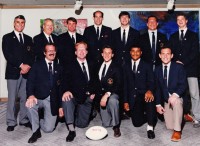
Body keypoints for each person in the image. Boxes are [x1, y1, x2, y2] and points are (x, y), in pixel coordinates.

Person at [25, 44, 63, 143]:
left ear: (55, 53)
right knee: (29, 104)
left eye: (53, 51)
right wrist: (30, 95)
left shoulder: (59, 67)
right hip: (38, 97)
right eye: (49, 51)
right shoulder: (37, 65)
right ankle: (35, 131)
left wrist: (60, 106)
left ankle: (38, 120)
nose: (51, 52)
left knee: (49, 129)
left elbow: (60, 89)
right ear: (44, 53)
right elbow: (30, 82)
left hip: (52, 100)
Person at [2, 15, 34, 132]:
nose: (20, 24)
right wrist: (21, 65)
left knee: (24, 97)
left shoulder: (29, 38)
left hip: (26, 73)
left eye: (22, 23)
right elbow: (8, 54)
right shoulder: (7, 38)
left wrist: (27, 66)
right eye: (18, 22)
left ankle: (24, 119)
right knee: (12, 98)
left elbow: (32, 55)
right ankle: (11, 121)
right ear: (14, 23)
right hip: (13, 73)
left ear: (24, 24)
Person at [61, 41, 97, 142]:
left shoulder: (92, 64)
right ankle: (71, 130)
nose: (81, 52)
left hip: (87, 97)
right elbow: (64, 81)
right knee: (67, 99)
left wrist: (93, 92)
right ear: (75, 52)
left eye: (83, 49)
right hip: (74, 96)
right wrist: (66, 90)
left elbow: (96, 81)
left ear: (87, 52)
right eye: (79, 49)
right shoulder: (69, 65)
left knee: (82, 125)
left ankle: (78, 113)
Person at [169, 13, 200, 127]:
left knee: (194, 94)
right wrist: (176, 63)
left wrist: (183, 62)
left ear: (186, 21)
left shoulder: (193, 35)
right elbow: (171, 52)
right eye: (178, 19)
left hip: (191, 69)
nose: (180, 21)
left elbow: (195, 52)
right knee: (178, 93)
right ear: (176, 22)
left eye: (182, 19)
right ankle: (179, 116)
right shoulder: (172, 36)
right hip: (177, 70)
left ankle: (197, 117)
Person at [123, 46, 157, 139]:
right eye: (133, 51)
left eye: (138, 51)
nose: (135, 53)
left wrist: (149, 90)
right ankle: (152, 116)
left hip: (145, 94)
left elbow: (151, 81)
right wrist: (125, 101)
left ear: (141, 53)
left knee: (150, 99)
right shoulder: (126, 66)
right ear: (130, 52)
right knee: (136, 123)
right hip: (134, 97)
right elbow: (125, 84)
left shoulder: (147, 65)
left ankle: (150, 128)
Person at [112, 11, 140, 120]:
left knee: (130, 85)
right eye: (122, 18)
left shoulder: (136, 33)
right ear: (120, 20)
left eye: (126, 17)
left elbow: (137, 49)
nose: (124, 19)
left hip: (130, 64)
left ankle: (130, 109)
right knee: (119, 86)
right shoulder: (113, 33)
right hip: (117, 65)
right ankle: (120, 111)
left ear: (129, 19)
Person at [155, 47, 187, 142]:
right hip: (166, 100)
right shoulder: (157, 70)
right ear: (160, 56)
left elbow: (183, 84)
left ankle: (177, 131)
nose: (165, 56)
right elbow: (157, 88)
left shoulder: (178, 67)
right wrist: (158, 104)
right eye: (163, 54)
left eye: (168, 54)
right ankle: (182, 117)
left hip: (177, 97)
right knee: (169, 126)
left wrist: (175, 95)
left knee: (176, 102)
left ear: (172, 55)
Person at [96, 45, 121, 137]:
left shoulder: (117, 67)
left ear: (113, 54)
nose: (107, 55)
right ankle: (113, 114)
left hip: (113, 92)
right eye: (105, 52)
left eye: (109, 53)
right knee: (106, 124)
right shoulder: (98, 65)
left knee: (113, 100)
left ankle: (116, 126)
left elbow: (118, 84)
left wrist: (107, 94)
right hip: (100, 94)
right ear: (102, 54)